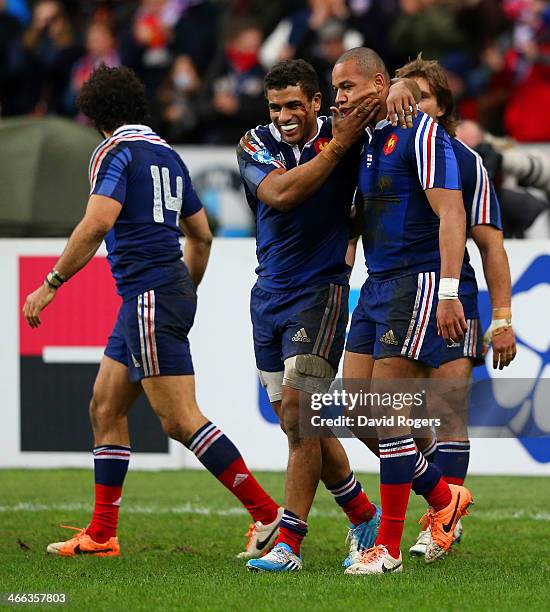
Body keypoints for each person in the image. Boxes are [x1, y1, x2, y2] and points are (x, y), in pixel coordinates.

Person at [22, 64, 282, 558]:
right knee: (105, 406)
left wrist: (51, 284)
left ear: (93, 114)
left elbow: (97, 223)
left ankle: (269, 516)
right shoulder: (167, 154)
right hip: (159, 293)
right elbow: (201, 235)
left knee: (180, 421)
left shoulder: (114, 151)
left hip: (148, 294)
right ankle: (101, 534)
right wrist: (185, 290)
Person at [237, 59, 419, 572]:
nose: (285, 116)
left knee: (300, 414)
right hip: (267, 296)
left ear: (317, 102)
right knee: (299, 424)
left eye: (295, 105)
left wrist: (401, 85)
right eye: (276, 107)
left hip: (321, 293)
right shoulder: (255, 143)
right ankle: (362, 514)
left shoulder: (353, 135)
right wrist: (338, 146)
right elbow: (281, 194)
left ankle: (289, 545)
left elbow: (389, 99)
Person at [333, 47, 473, 575]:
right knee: (354, 410)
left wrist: (448, 291)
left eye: (349, 87)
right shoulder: (364, 137)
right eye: (337, 90)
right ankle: (442, 495)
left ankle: (386, 548)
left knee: (389, 414)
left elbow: (451, 211)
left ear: (379, 83)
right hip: (375, 285)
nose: (340, 99)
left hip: (416, 282)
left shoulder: (423, 133)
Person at [393, 54, 517, 555]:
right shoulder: (380, 150)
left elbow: (490, 246)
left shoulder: (467, 163)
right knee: (394, 415)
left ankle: (438, 526)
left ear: (442, 107)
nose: (409, 105)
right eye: (404, 95)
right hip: (398, 296)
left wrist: (503, 319)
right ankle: (444, 499)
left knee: (445, 412)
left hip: (453, 297)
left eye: (421, 96)